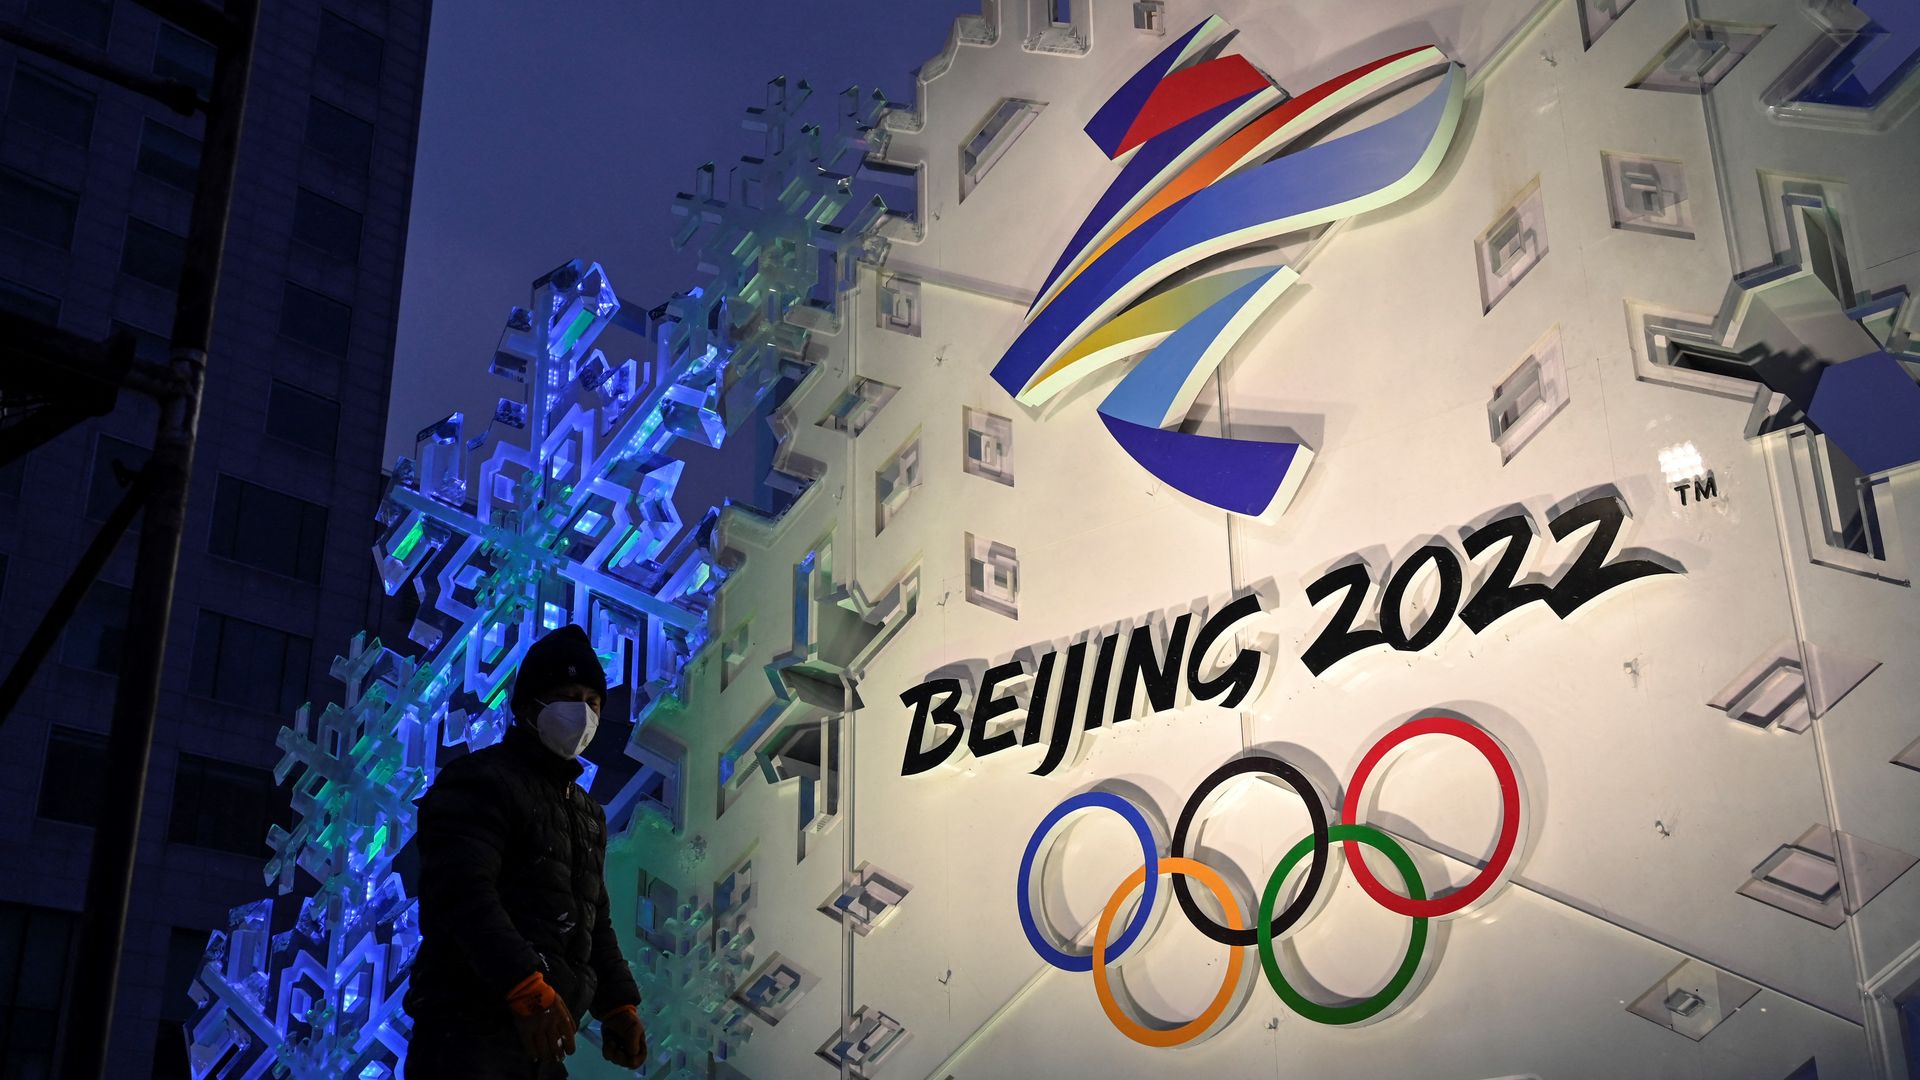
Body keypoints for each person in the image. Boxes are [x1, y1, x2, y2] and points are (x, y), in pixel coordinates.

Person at [404, 624, 648, 1077]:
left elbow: (593, 921)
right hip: (468, 1033)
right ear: (529, 707)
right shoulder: (480, 780)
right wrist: (524, 985)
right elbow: (461, 893)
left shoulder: (585, 811)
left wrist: (618, 1005)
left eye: (592, 702)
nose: (582, 713)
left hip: (544, 1040)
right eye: (567, 697)